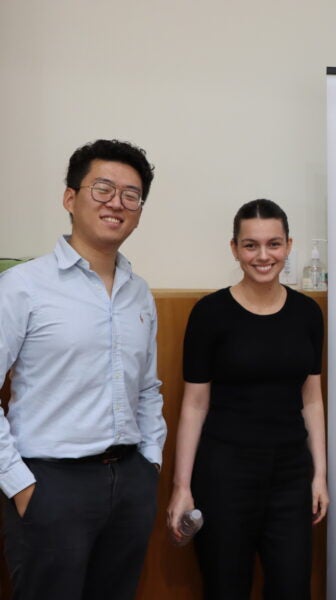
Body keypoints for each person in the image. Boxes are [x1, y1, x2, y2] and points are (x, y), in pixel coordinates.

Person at [0, 139, 166, 600]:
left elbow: (148, 389)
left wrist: (150, 463)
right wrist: (20, 485)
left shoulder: (139, 293)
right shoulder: (22, 288)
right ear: (70, 198)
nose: (117, 203)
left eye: (131, 194)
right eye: (103, 188)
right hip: (49, 486)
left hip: (129, 482)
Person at [166, 199, 329, 600]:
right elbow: (194, 405)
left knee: (292, 588)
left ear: (289, 246)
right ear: (235, 248)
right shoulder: (210, 313)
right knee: (225, 587)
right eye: (251, 245)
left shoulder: (307, 313)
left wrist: (319, 475)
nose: (263, 256)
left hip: (290, 475)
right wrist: (181, 486)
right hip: (224, 473)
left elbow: (312, 399)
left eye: (273, 244)